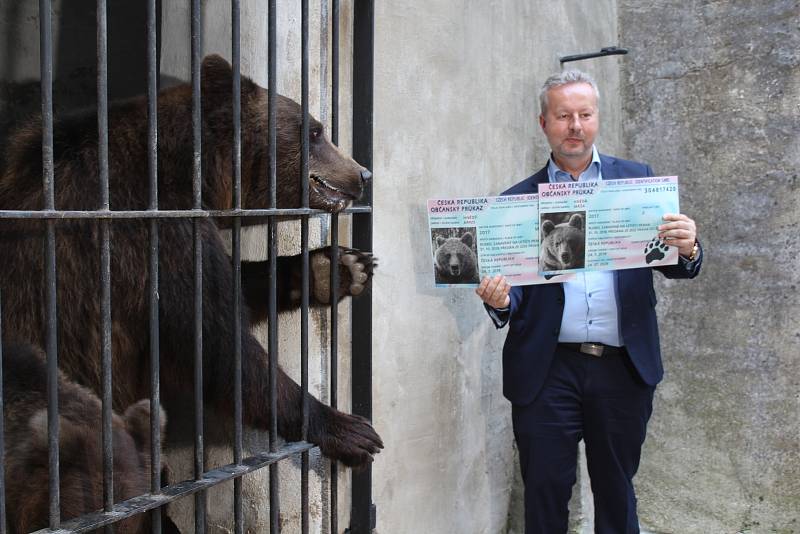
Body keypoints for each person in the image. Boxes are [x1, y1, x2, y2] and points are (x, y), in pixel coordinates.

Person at [476, 70, 702, 533]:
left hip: (623, 367)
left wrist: (690, 247)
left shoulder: (638, 182)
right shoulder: (517, 201)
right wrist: (498, 301)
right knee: (544, 491)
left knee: (617, 492)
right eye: (563, 116)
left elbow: (674, 264)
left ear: (597, 118)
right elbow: (511, 293)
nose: (575, 125)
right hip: (546, 370)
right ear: (544, 123)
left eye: (584, 114)